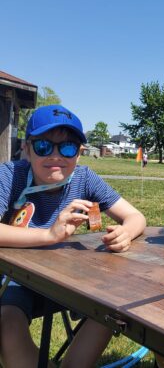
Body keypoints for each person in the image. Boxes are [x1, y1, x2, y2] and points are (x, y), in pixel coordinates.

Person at [0, 105, 146, 367]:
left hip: (73, 278)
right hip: (18, 280)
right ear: (27, 148)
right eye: (44, 146)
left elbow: (136, 217)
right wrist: (49, 235)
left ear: (79, 154)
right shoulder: (11, 175)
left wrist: (126, 232)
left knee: (112, 308)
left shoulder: (84, 178)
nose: (56, 156)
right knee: (7, 323)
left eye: (67, 148)